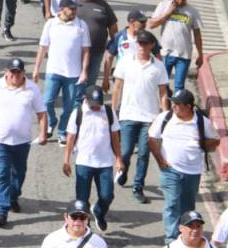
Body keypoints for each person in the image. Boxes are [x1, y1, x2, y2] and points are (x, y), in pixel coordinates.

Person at [149, 88, 219, 245]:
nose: (173, 106)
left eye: (178, 104)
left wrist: (201, 143)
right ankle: (172, 240)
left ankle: (186, 238)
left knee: (188, 208)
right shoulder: (165, 118)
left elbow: (215, 141)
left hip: (193, 172)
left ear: (189, 106)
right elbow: (152, 138)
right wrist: (159, 159)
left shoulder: (202, 122)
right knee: (172, 204)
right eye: (173, 103)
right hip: (170, 171)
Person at [0, 58, 47, 228]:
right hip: (0, 141)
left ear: (23, 72)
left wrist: (43, 134)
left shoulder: (32, 88)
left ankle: (13, 197)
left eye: (18, 72)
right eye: (12, 72)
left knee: (19, 173)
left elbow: (41, 113)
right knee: (2, 174)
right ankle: (2, 210)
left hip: (22, 141)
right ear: (6, 71)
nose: (15, 75)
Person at [111, 29, 168, 204]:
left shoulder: (158, 66)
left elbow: (163, 92)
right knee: (126, 151)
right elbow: (117, 88)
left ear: (152, 46)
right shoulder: (126, 62)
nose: (142, 46)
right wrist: (112, 112)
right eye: (140, 43)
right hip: (128, 114)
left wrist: (165, 116)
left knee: (144, 153)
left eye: (145, 43)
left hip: (149, 117)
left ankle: (138, 186)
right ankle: (123, 170)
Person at [62, 86, 123, 232]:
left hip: (105, 162)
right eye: (93, 104)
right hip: (84, 162)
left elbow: (115, 137)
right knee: (82, 199)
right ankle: (86, 227)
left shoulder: (108, 112)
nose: (96, 107)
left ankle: (99, 212)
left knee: (107, 195)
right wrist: (66, 160)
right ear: (86, 99)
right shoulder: (78, 113)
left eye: (98, 104)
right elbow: (70, 138)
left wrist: (119, 159)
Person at [34, 0, 91, 146]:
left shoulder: (81, 25)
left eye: (75, 8)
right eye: (71, 9)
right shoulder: (51, 24)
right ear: (61, 9)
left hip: (73, 73)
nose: (74, 11)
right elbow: (43, 47)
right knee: (47, 102)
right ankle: (52, 121)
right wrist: (36, 69)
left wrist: (84, 71)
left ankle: (62, 132)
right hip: (53, 70)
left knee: (69, 106)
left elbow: (86, 50)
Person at [148, 0, 204, 93]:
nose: (182, 0)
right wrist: (167, 13)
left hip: (184, 55)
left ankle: (178, 109)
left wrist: (200, 54)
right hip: (166, 54)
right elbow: (151, 24)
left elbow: (197, 34)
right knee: (163, 84)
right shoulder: (163, 6)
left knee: (179, 86)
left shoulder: (192, 11)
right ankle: (166, 107)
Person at [73, 0, 118, 91]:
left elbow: (113, 26)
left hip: (96, 52)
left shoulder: (102, 4)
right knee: (74, 82)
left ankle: (87, 104)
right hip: (76, 52)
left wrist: (115, 45)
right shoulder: (73, 4)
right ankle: (75, 105)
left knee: (90, 82)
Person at [40, 200, 108, 247]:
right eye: (74, 217)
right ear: (66, 217)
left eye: (82, 217)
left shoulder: (99, 243)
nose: (78, 221)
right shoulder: (51, 240)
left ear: (88, 218)